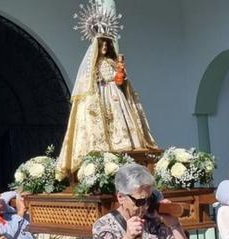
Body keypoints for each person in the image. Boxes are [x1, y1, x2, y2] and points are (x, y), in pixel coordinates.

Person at [56, 34, 158, 179]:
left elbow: (119, 80)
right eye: (101, 45)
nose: (104, 48)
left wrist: (121, 74)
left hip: (115, 95)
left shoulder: (112, 62)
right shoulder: (92, 65)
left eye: (106, 45)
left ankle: (127, 147)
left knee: (120, 119)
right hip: (101, 95)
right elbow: (88, 83)